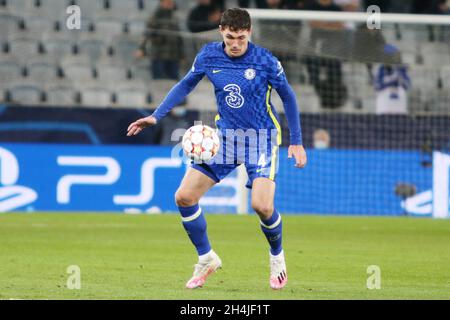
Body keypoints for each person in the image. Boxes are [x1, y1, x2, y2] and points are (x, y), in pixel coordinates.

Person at [127, 8, 307, 290]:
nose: (236, 43)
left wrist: (296, 140)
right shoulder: (209, 55)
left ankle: (277, 257)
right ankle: (207, 258)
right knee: (184, 197)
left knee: (261, 206)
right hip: (226, 139)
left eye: (241, 38)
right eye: (231, 36)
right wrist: (156, 115)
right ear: (221, 31)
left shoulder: (265, 60)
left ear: (249, 33)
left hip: (260, 138)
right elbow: (185, 84)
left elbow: (289, 97)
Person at [135, 0, 183, 80]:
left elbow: (179, 38)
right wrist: (141, 48)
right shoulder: (155, 16)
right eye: (168, 2)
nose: (170, 4)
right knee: (158, 82)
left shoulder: (174, 17)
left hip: (173, 56)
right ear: (162, 3)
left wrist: (182, 54)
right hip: (159, 56)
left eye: (171, 2)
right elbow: (147, 34)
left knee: (174, 84)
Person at [373, 44, 411, 114]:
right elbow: (377, 86)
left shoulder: (401, 69)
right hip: (384, 108)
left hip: (399, 108)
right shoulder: (380, 70)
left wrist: (399, 74)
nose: (397, 58)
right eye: (394, 56)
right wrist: (390, 81)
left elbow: (407, 85)